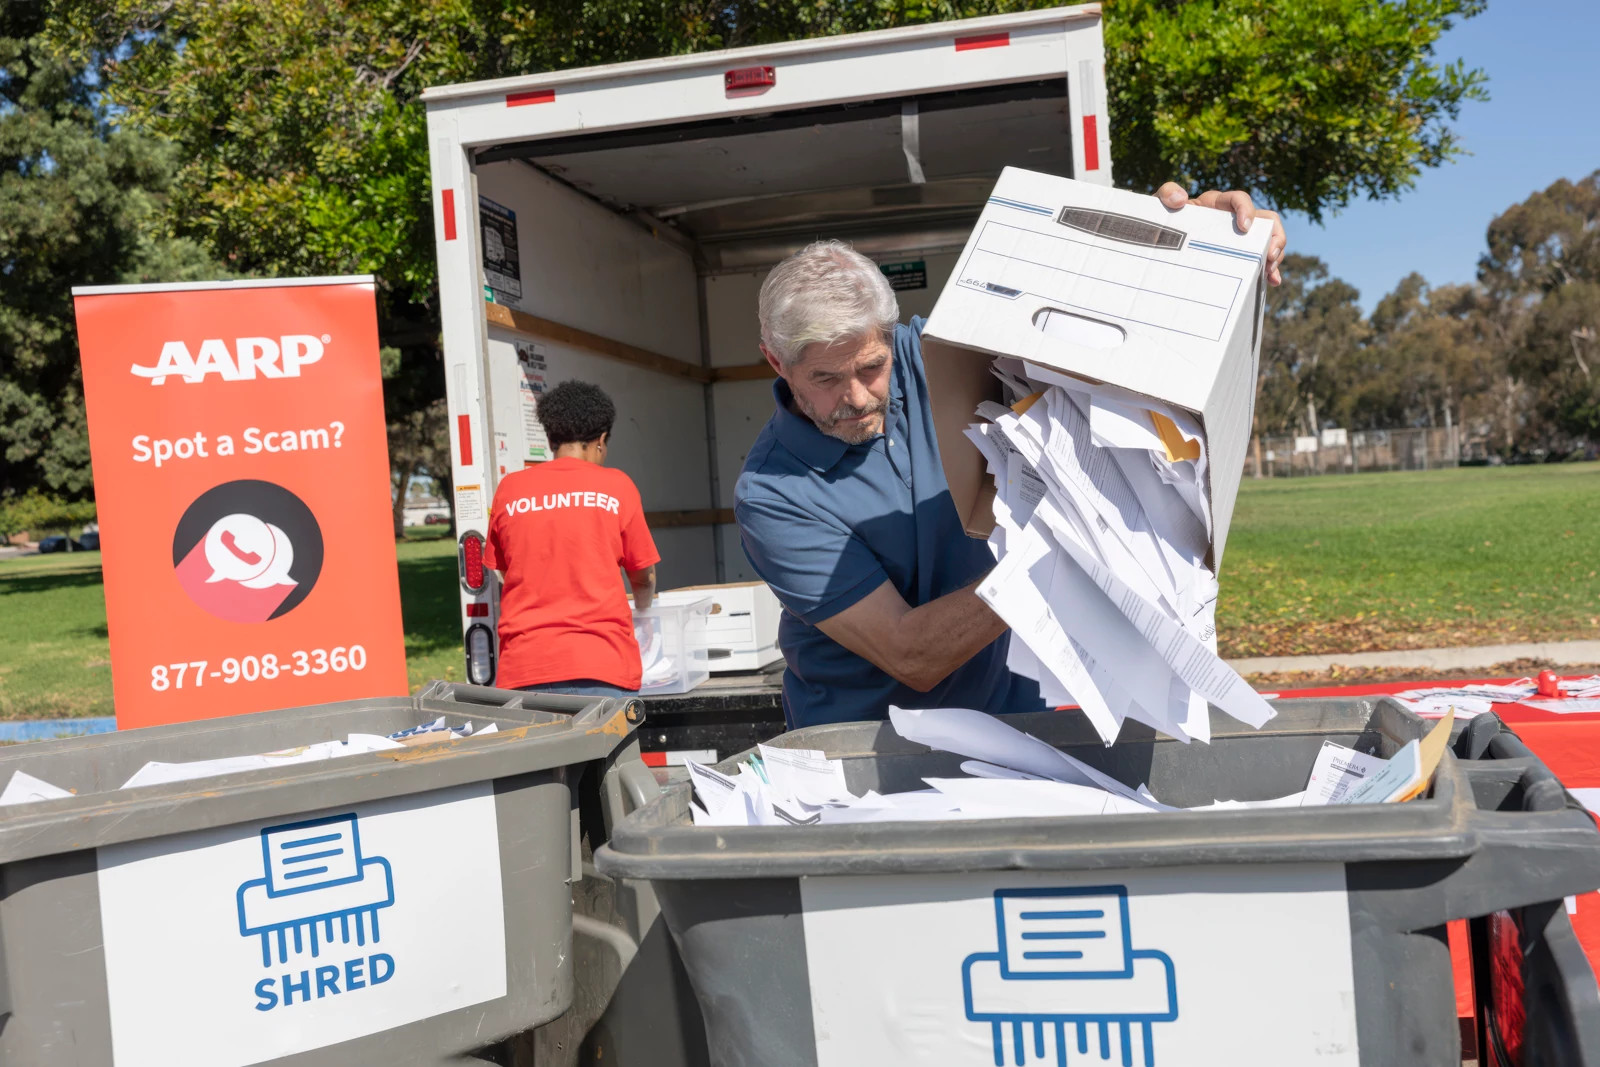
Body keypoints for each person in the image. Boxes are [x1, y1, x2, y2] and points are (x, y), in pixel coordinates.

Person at [735, 186, 1287, 728]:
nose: (856, 397)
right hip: (868, 745)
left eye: (870, 367)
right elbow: (911, 654)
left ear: (890, 335)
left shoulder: (934, 356)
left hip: (1018, 720)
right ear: (776, 362)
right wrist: (1065, 548)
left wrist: (1199, 239)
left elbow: (1088, 306)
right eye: (826, 378)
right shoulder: (772, 494)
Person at [485, 380, 659, 696]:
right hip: (602, 666)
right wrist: (644, 617)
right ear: (601, 440)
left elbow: (506, 571)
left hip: (524, 668)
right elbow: (643, 577)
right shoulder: (617, 486)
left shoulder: (510, 489)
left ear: (551, 438)